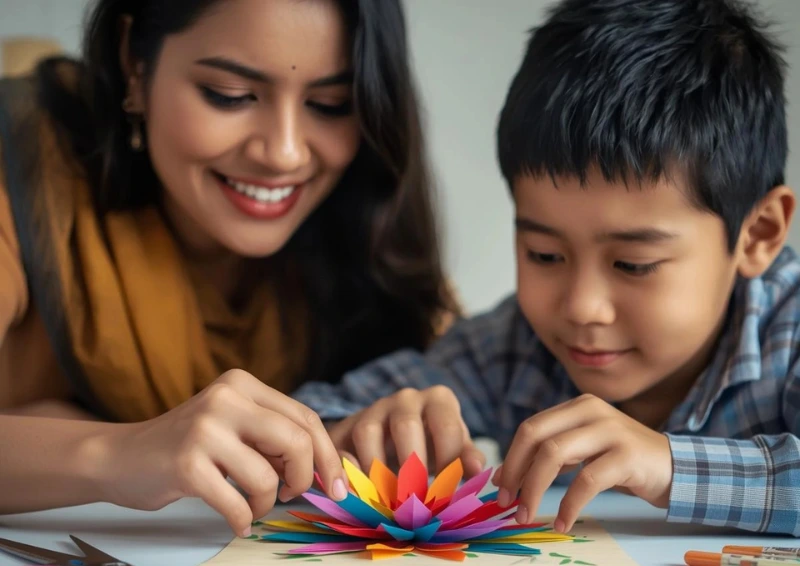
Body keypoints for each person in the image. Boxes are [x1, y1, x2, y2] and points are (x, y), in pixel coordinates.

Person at [295, 0, 800, 537]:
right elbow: (319, 411)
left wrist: (670, 465)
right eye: (544, 255)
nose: (581, 305)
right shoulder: (517, 347)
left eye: (634, 263)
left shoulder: (788, 334)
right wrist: (354, 432)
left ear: (758, 234)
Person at [0, 0, 457, 536]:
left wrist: (346, 430)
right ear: (135, 65)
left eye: (331, 104)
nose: (284, 154)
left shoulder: (366, 230)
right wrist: (115, 453)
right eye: (231, 96)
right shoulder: (24, 173)